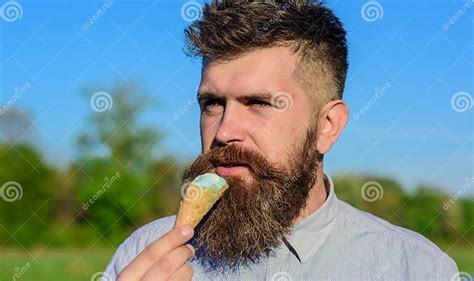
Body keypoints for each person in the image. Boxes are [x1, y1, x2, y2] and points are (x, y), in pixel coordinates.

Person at [104, 1, 460, 280]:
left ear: (328, 126)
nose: (225, 131)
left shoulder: (414, 269)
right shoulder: (144, 254)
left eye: (258, 103)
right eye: (212, 103)